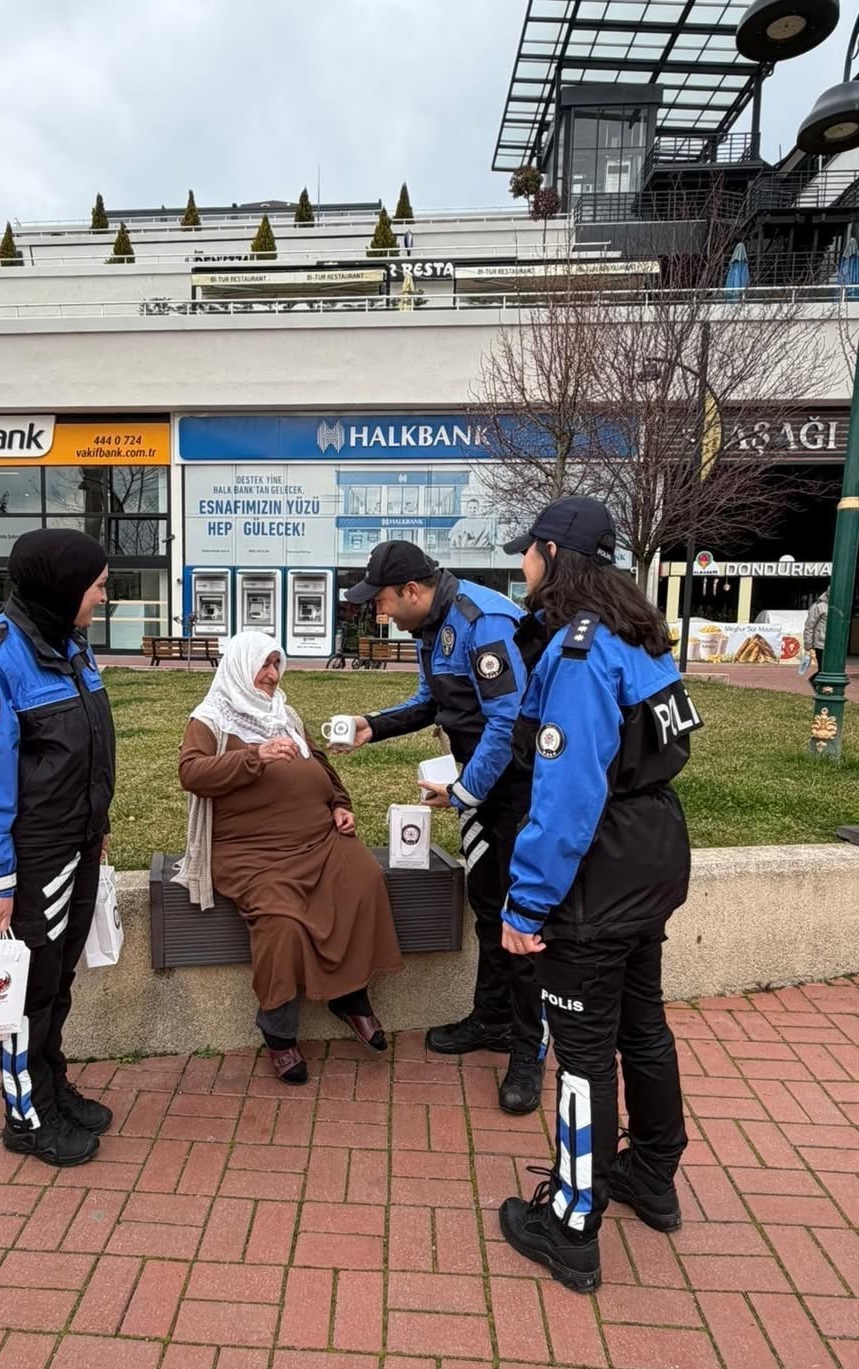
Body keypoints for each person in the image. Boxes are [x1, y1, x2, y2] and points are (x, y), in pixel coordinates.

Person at [496, 497, 700, 1293]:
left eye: (528, 551)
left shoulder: (580, 653)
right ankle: (652, 1173)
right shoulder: (638, 634)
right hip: (651, 857)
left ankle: (572, 1223)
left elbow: (568, 796)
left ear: (553, 555)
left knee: (582, 1055)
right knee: (643, 1025)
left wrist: (525, 905)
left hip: (597, 873)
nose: (523, 564)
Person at [341, 540, 548, 1114]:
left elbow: (507, 721)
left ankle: (529, 1048)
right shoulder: (430, 626)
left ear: (411, 590)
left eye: (381, 600)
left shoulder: (482, 621)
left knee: (521, 919)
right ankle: (492, 1019)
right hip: (480, 789)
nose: (378, 611)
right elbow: (431, 700)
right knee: (487, 907)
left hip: (519, 791)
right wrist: (372, 726)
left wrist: (463, 792)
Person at [0, 530, 115, 1168]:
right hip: (34, 856)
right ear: (62, 587)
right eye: (97, 586)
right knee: (27, 991)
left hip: (78, 842)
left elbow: (84, 750)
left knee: (57, 980)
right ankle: (27, 1116)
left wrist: (97, 825)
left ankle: (50, 1086)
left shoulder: (71, 644)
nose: (103, 597)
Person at [176, 631, 403, 1085]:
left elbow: (320, 764)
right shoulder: (210, 718)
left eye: (277, 664)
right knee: (281, 921)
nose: (272, 675)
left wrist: (340, 804)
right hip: (252, 853)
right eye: (263, 665)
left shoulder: (286, 714)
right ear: (240, 666)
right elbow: (191, 772)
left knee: (364, 880)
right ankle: (278, 1031)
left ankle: (350, 996)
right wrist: (254, 756)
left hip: (319, 839)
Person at [803, 589, 828, 683]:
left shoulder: (840, 607)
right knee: (823, 670)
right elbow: (809, 626)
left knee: (829, 670)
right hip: (821, 643)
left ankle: (817, 684)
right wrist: (808, 645)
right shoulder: (818, 606)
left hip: (835, 645)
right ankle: (814, 682)